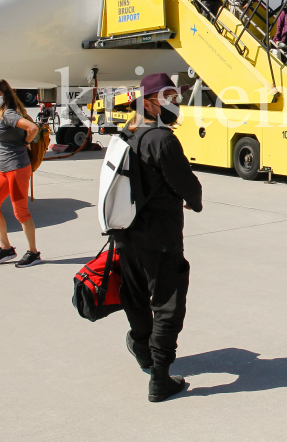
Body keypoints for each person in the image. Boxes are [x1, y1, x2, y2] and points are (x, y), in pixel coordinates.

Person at [117, 72, 203, 402]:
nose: (175, 103)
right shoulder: (162, 139)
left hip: (126, 232)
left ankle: (142, 350)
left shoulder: (128, 133)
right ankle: (161, 377)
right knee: (167, 304)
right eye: (168, 97)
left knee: (136, 297)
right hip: (161, 235)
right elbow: (186, 183)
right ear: (151, 102)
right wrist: (194, 202)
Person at [0, 79, 42, 267]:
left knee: (20, 212)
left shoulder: (8, 114)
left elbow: (33, 128)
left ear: (6, 95)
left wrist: (25, 142)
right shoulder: (1, 114)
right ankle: (5, 248)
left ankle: (33, 253)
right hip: (5, 170)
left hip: (17, 168)